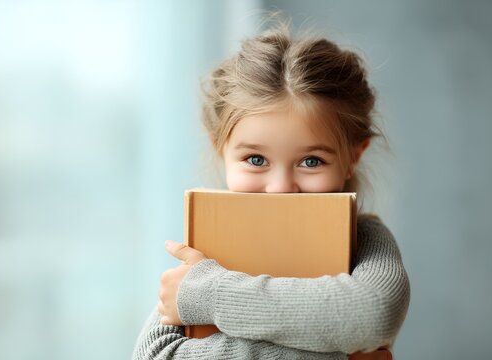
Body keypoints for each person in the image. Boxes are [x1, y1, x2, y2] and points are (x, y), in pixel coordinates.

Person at [133, 24, 410, 360]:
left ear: (353, 156)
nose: (280, 189)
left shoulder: (366, 240)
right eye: (256, 159)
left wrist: (210, 295)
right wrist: (332, 354)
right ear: (221, 149)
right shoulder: (206, 248)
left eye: (311, 161)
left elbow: (371, 316)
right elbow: (156, 356)